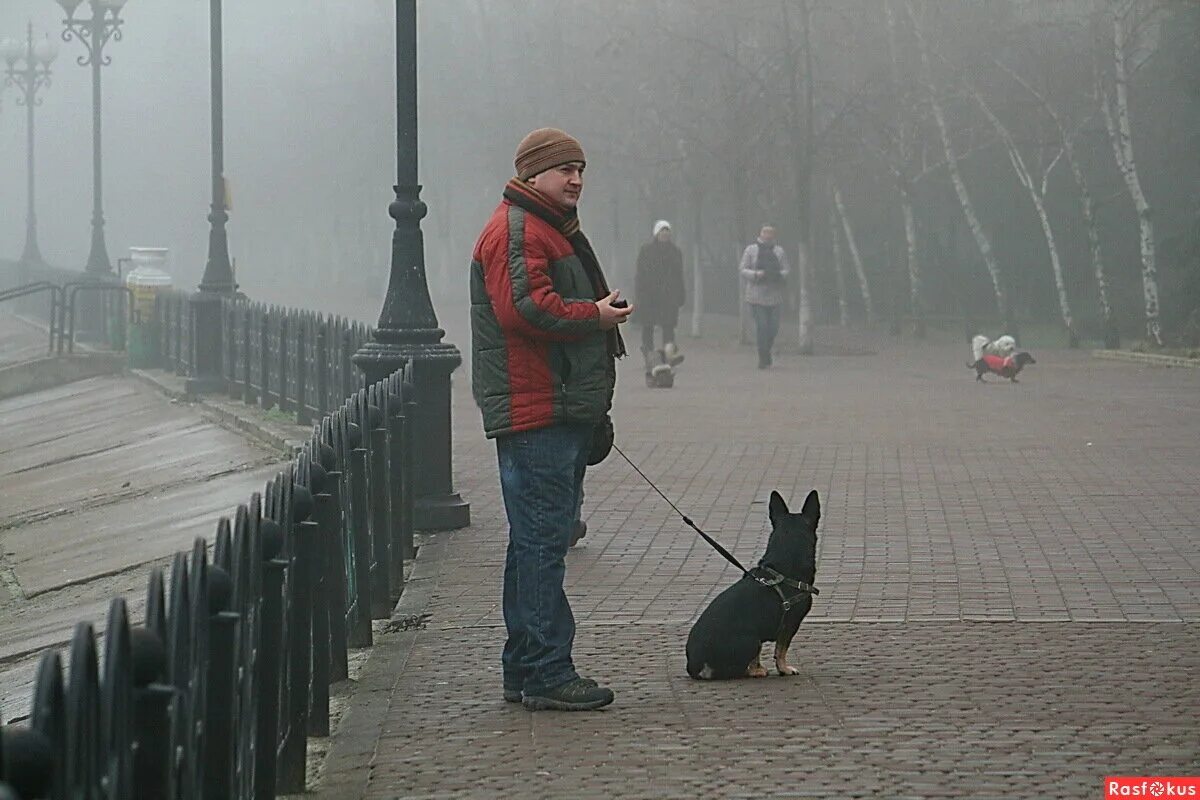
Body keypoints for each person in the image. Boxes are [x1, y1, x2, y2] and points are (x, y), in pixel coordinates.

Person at [470, 127, 632, 711]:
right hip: (538, 410)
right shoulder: (519, 229)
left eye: (581, 168)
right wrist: (596, 314)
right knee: (543, 544)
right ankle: (545, 670)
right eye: (564, 168)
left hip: (550, 408)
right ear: (532, 173)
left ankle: (525, 667)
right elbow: (527, 307)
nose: (576, 179)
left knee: (534, 542)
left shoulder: (541, 228)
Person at [634, 220, 686, 385]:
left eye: (667, 232)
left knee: (668, 326)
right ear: (656, 234)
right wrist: (639, 294)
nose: (665, 235)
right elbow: (640, 274)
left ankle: (667, 356)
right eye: (662, 232)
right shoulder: (646, 251)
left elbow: (679, 275)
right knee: (647, 326)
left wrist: (681, 294)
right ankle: (649, 356)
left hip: (668, 296)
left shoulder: (675, 252)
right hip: (649, 296)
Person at [739, 225, 791, 368]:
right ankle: (763, 358)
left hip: (775, 296)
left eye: (770, 233)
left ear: (774, 235)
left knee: (773, 328)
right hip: (756, 296)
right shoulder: (751, 250)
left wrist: (779, 275)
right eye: (765, 232)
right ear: (760, 234)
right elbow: (743, 269)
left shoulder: (779, 251)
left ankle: (766, 351)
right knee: (762, 327)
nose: (767, 235)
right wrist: (756, 274)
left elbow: (786, 269)